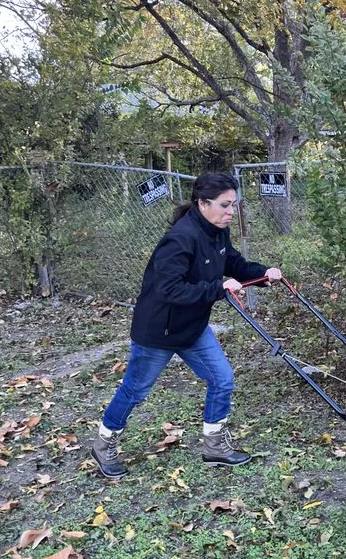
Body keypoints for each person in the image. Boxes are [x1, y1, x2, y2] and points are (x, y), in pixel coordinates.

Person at [91, 172, 281, 479]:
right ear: (203, 204)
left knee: (222, 379)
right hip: (158, 331)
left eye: (234, 205)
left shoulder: (217, 231)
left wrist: (264, 273)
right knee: (135, 391)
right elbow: (169, 289)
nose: (231, 212)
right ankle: (104, 443)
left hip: (192, 327)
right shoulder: (180, 239)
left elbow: (232, 263)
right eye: (225, 205)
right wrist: (219, 288)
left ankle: (215, 447)